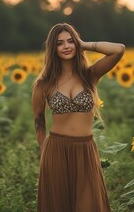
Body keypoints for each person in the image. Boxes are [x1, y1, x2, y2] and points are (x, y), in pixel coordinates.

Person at [32, 23, 125, 212]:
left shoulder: (90, 75)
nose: (66, 46)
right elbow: (39, 121)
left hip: (86, 150)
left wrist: (83, 44)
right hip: (56, 150)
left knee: (89, 205)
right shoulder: (44, 84)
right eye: (59, 43)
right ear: (53, 48)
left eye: (70, 41)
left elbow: (118, 50)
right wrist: (43, 153)